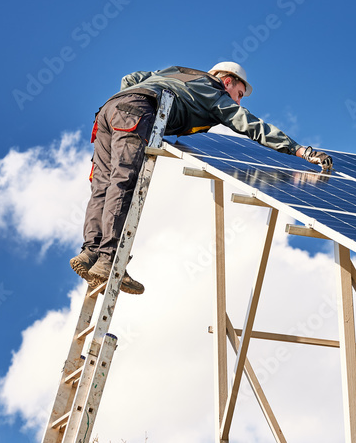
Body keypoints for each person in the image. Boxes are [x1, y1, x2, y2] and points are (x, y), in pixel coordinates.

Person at [70, 62, 332, 295]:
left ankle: (90, 251)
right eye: (239, 94)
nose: (238, 101)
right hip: (136, 112)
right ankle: (108, 260)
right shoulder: (212, 90)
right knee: (124, 181)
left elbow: (131, 77)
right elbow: (248, 123)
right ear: (227, 81)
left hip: (108, 111)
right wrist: (299, 150)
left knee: (102, 186)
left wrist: (134, 102)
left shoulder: (178, 72)